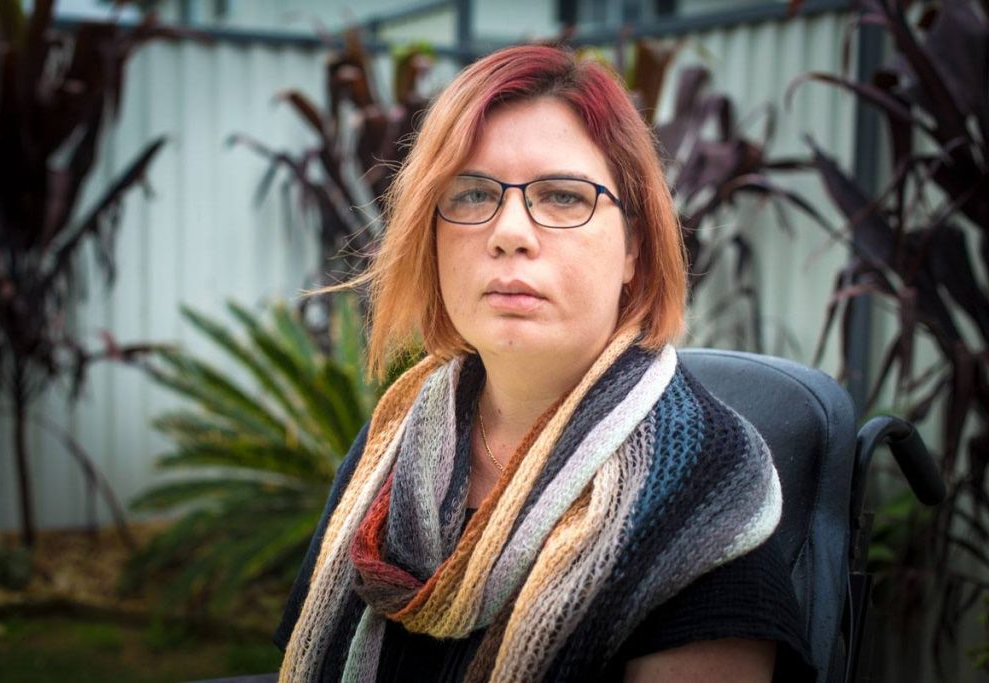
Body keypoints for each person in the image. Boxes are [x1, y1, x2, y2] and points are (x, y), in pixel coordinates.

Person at [273, 44, 815, 682]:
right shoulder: (395, 443)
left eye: (561, 196)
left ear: (634, 246)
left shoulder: (701, 489)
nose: (510, 232)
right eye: (472, 194)